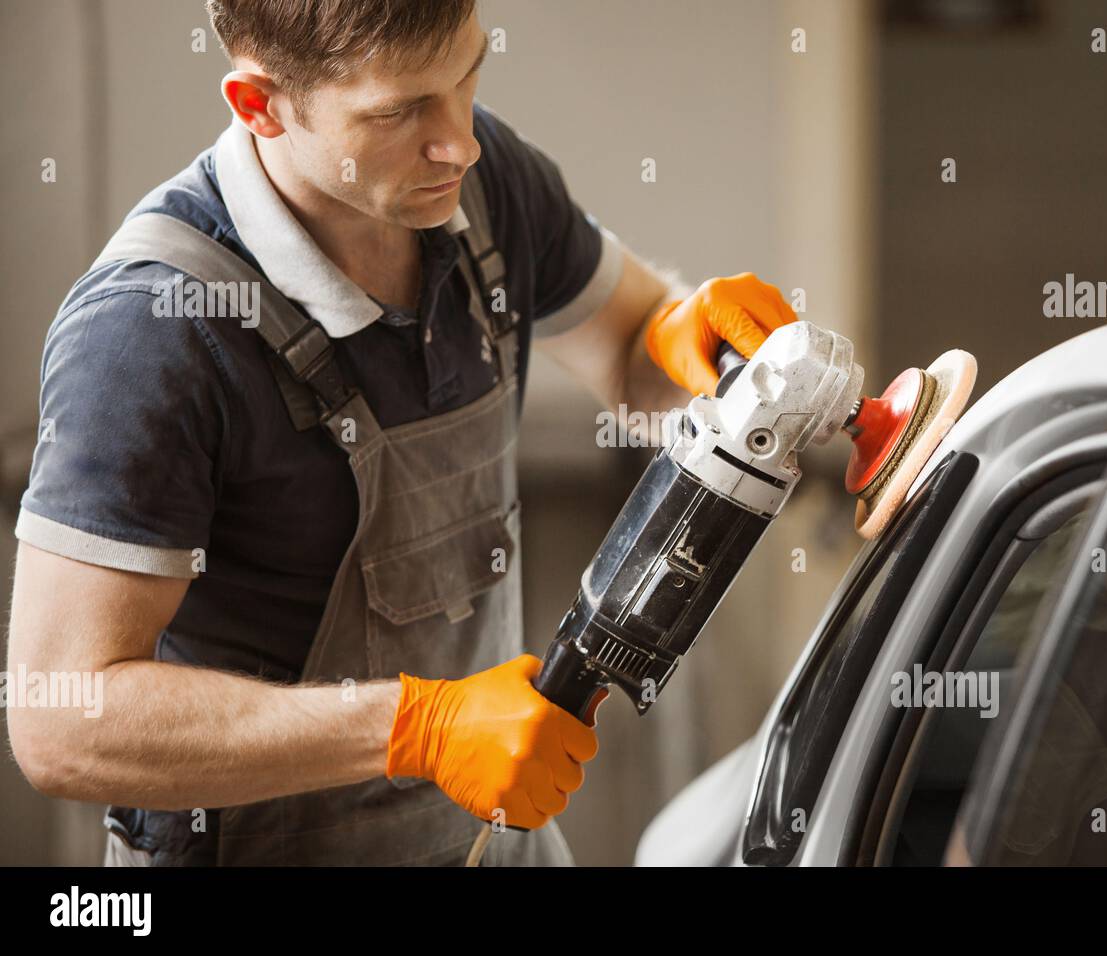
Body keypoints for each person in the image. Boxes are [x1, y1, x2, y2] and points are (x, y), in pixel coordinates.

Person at [5, 0, 797, 866]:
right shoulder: (152, 327)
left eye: (467, 76)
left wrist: (686, 336)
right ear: (259, 104)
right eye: (396, 112)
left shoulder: (483, 191)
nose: (459, 141)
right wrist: (418, 729)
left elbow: (632, 354)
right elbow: (61, 722)